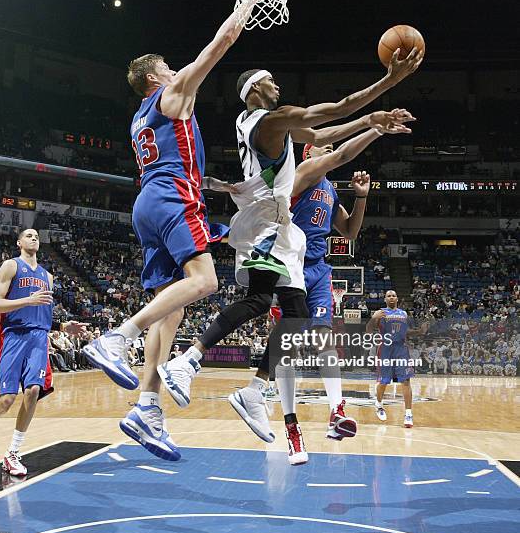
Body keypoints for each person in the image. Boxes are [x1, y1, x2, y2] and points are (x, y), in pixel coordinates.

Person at [157, 50, 422, 445]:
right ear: (254, 91)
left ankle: (252, 391)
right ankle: (188, 359)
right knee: (261, 301)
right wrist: (388, 82)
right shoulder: (271, 122)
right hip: (266, 223)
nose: (277, 86)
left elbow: (322, 136)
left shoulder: (267, 127)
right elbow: (334, 115)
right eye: (270, 80)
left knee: (294, 320)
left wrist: (372, 123)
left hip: (277, 228)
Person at [83, 0, 271, 462]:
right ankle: (116, 337)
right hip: (171, 197)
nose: (174, 70)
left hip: (149, 201)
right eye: (167, 67)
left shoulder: (138, 118)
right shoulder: (171, 96)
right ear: (154, 77)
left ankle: (147, 406)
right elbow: (222, 40)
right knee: (205, 282)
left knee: (173, 308)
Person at [273, 114, 413, 464]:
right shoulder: (299, 176)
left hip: (319, 270)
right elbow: (339, 157)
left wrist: (362, 197)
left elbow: (349, 232)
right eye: (326, 147)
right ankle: (291, 425)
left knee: (324, 340)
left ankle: (337, 411)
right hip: (290, 269)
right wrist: (375, 128)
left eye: (334, 147)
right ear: (308, 153)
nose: (332, 151)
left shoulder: (330, 188)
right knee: (287, 350)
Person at [0, 229, 85, 476]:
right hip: (12, 336)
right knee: (7, 400)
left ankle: (12, 453)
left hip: (39, 339)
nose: (34, 238)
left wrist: (63, 326)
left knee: (33, 391)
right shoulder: (11, 266)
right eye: (29, 235)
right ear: (19, 242)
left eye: (37, 236)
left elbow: (41, 314)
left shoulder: (48, 277)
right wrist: (26, 301)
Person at [366, 290, 414, 428]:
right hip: (385, 349)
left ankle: (408, 414)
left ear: (397, 298)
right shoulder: (380, 313)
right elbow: (368, 329)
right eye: (389, 296)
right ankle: (379, 404)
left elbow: (405, 331)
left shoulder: (404, 314)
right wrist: (373, 318)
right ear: (385, 299)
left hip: (401, 349)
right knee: (384, 381)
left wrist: (419, 332)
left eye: (393, 295)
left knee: (405, 380)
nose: (391, 297)